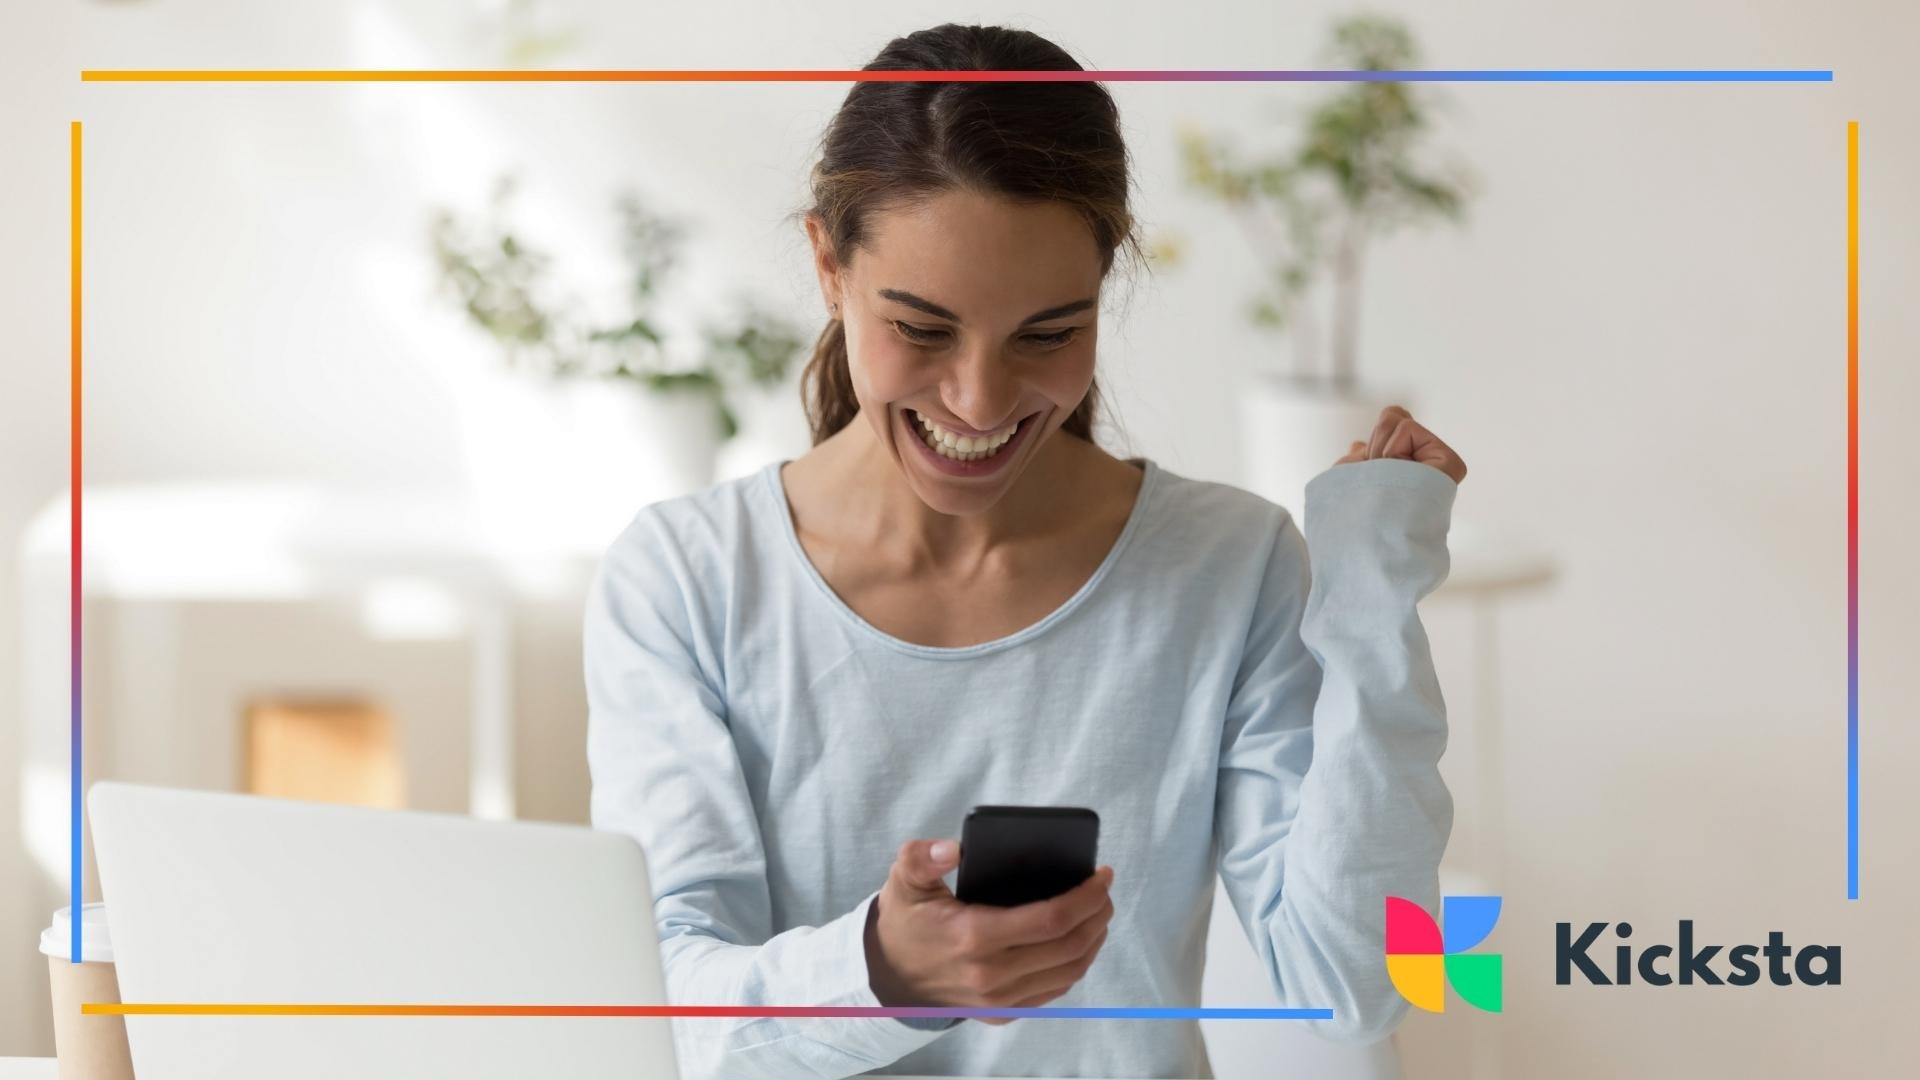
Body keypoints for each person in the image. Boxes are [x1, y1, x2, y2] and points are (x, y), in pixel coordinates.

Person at [585, 22, 1467, 1080]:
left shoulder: (1229, 568)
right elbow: (669, 1014)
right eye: (920, 327)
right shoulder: (688, 580)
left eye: (1049, 334)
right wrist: (884, 973)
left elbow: (1351, 984)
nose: (980, 400)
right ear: (829, 263)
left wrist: (1372, 598)